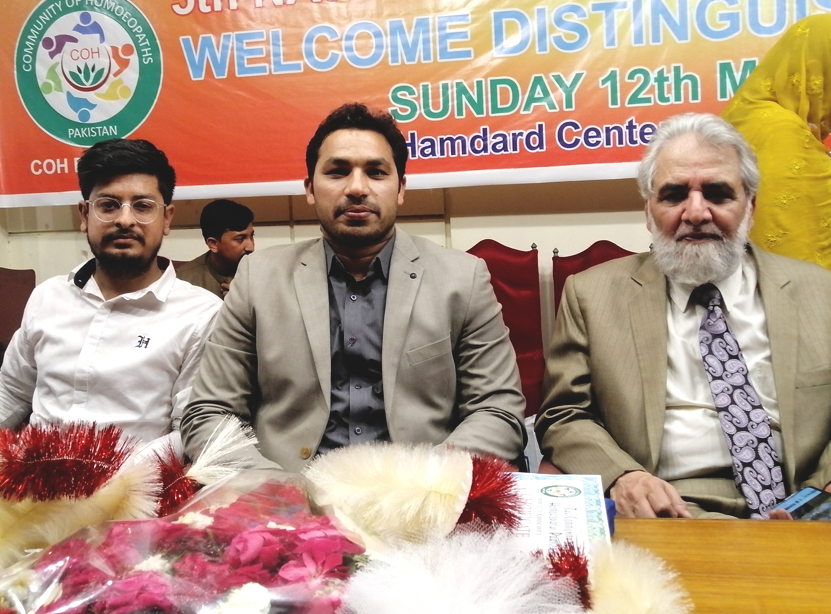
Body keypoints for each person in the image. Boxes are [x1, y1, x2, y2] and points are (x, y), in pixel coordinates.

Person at [182, 102, 526, 471]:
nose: (357, 188)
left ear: (400, 188)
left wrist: (424, 482)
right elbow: (209, 412)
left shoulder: (462, 278)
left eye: (376, 172)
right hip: (285, 490)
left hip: (421, 488)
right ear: (310, 189)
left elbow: (498, 410)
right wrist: (273, 488)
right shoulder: (258, 278)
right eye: (338, 172)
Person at [535, 113, 831, 519]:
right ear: (648, 210)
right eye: (674, 195)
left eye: (717, 193)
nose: (696, 213)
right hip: (670, 509)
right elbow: (564, 415)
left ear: (751, 206)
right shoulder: (590, 295)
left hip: (803, 503)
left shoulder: (820, 291)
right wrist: (623, 476)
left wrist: (824, 488)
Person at [0, 139, 222, 452]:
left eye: (143, 206)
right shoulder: (48, 297)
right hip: (32, 476)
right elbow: (12, 392)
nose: (125, 220)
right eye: (108, 205)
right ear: (84, 214)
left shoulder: (201, 314)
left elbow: (190, 430)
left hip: (135, 479)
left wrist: (120, 476)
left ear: (167, 219)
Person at [721, 14, 831, 269]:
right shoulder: (783, 132)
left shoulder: (747, 115)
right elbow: (798, 239)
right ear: (816, 67)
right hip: (791, 285)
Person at [176, 199, 255, 299]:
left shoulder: (265, 273)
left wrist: (249, 301)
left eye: (251, 236)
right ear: (213, 244)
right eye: (240, 239)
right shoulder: (183, 281)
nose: (250, 247)